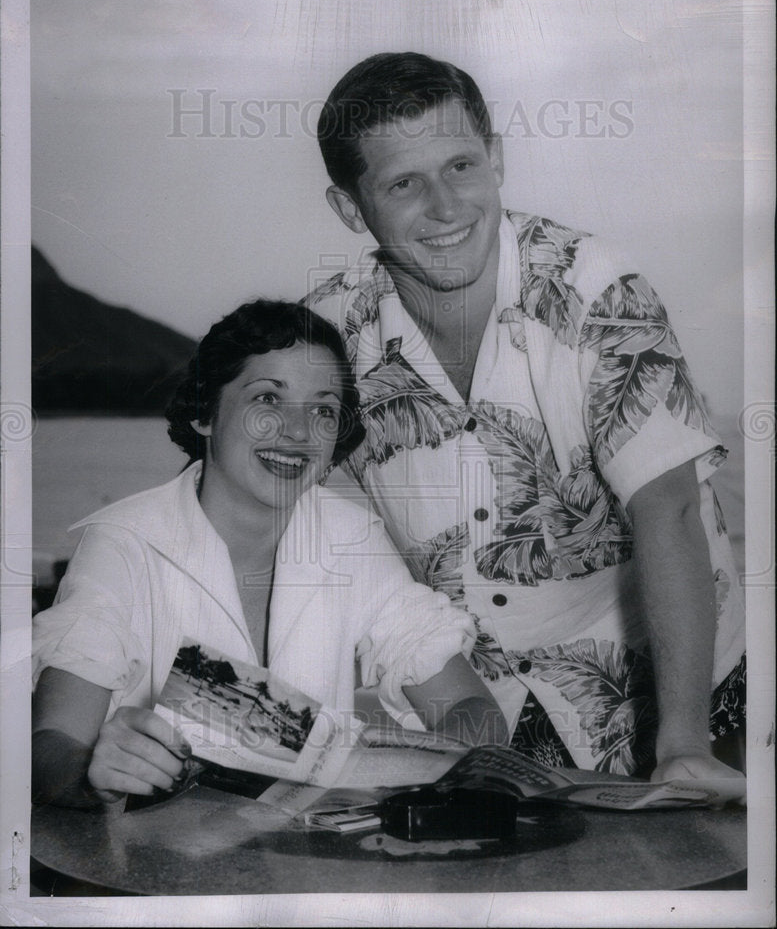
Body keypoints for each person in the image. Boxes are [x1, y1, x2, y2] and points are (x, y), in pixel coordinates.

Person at [306, 51, 746, 783]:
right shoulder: (326, 337)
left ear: (496, 159)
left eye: (460, 167)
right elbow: (276, 523)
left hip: (670, 698)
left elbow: (669, 512)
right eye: (404, 183)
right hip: (473, 715)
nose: (446, 209)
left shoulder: (599, 292)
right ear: (351, 207)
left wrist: (682, 747)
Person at [32, 299, 507, 808]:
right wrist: (94, 775)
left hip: (307, 863)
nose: (299, 432)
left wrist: (434, 765)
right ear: (204, 414)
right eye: (268, 400)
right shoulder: (124, 544)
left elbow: (472, 707)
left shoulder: (350, 538)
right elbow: (50, 750)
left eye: (323, 409)